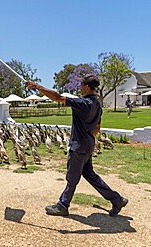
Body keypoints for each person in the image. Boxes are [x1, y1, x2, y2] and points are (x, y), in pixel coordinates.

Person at [26, 74, 128, 217]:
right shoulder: (98, 105)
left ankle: (63, 205)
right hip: (88, 144)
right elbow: (97, 128)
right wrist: (87, 139)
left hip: (79, 146)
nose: (80, 87)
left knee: (72, 178)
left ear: (86, 86)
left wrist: (37, 87)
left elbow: (57, 97)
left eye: (81, 85)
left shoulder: (83, 103)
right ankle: (117, 199)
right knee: (90, 175)